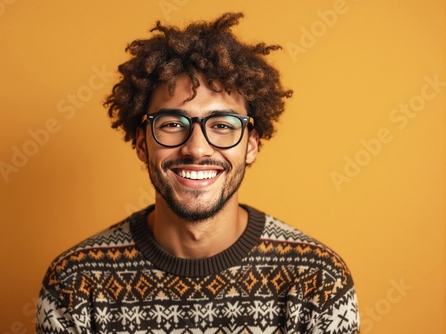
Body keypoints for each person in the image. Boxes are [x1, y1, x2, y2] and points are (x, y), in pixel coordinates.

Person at [36, 12, 360, 334]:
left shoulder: (318, 281)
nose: (197, 149)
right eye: (173, 124)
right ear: (141, 143)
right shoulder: (74, 285)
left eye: (221, 125)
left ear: (251, 145)